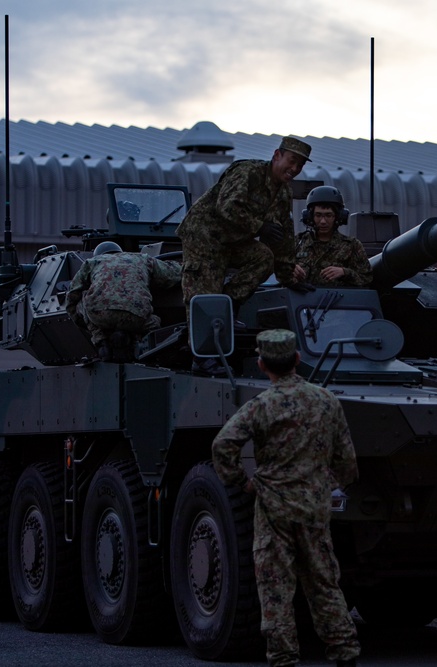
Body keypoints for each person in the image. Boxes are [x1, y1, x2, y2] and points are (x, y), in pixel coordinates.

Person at [212, 329, 361, 667]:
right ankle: (345, 653)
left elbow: (223, 445)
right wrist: (326, 484)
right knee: (324, 583)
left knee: (276, 587)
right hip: (314, 508)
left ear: (263, 364)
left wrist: (245, 482)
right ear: (296, 359)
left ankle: (283, 658)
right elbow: (348, 462)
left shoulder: (261, 406)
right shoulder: (326, 400)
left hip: (274, 509)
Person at [176, 136, 312, 315]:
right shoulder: (248, 172)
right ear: (277, 155)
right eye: (292, 161)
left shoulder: (284, 192)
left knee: (263, 258)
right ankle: (205, 324)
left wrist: (289, 278)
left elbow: (284, 237)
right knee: (205, 301)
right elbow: (227, 207)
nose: (294, 169)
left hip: (233, 241)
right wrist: (260, 227)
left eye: (300, 165)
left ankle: (229, 303)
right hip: (204, 238)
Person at [65, 241, 181, 361]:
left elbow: (72, 294)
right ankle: (140, 342)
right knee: (153, 322)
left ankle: (101, 340)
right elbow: (173, 274)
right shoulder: (142, 258)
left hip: (101, 315)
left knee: (82, 303)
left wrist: (86, 325)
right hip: (135, 315)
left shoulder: (92, 262)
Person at [293, 185, 372, 288]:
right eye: (318, 215)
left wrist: (344, 272)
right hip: (301, 301)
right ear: (310, 217)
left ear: (339, 217)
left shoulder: (352, 246)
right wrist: (290, 269)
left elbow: (367, 279)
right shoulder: (297, 242)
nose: (323, 221)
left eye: (328, 215)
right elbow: (278, 272)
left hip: (337, 300)